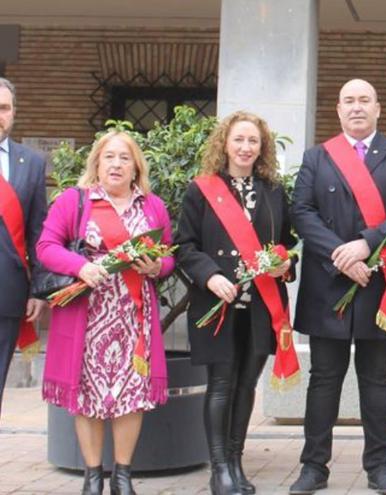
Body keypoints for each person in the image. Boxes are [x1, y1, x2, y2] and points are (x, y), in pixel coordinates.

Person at [288, 78, 386, 495]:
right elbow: (302, 212)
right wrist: (341, 256)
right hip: (329, 281)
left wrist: (367, 243)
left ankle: (381, 466)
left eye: (365, 99)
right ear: (339, 109)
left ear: (378, 108)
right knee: (323, 379)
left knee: (377, 380)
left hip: (382, 284)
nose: (357, 107)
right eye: (349, 100)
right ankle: (313, 467)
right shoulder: (317, 157)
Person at [37, 130, 173, 495]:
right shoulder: (74, 201)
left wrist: (155, 268)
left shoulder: (152, 206)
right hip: (88, 315)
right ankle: (93, 477)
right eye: (109, 157)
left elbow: (169, 255)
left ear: (136, 167)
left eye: (124, 158)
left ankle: (123, 477)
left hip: (134, 318)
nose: (116, 164)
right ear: (97, 162)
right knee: (88, 395)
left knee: (131, 395)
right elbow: (46, 246)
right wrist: (79, 266)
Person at [176, 111, 298, 495]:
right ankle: (219, 469)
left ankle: (236, 461)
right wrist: (210, 275)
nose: (245, 148)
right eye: (239, 140)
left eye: (253, 142)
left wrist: (285, 265)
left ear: (262, 148)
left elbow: (289, 242)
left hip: (261, 304)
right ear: (224, 143)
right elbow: (184, 246)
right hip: (219, 302)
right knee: (222, 384)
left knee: (247, 385)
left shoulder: (274, 191)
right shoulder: (201, 189)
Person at [0, 77, 47, 417]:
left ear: (14, 113)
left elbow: (37, 231)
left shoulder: (31, 162)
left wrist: (39, 290)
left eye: (4, 108)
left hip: (9, 290)